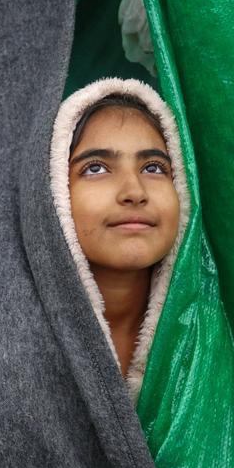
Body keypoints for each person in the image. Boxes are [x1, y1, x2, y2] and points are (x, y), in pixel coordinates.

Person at [50, 77, 189, 400]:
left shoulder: (216, 343)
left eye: (154, 168)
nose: (134, 192)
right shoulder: (8, 349)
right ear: (54, 189)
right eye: (96, 168)